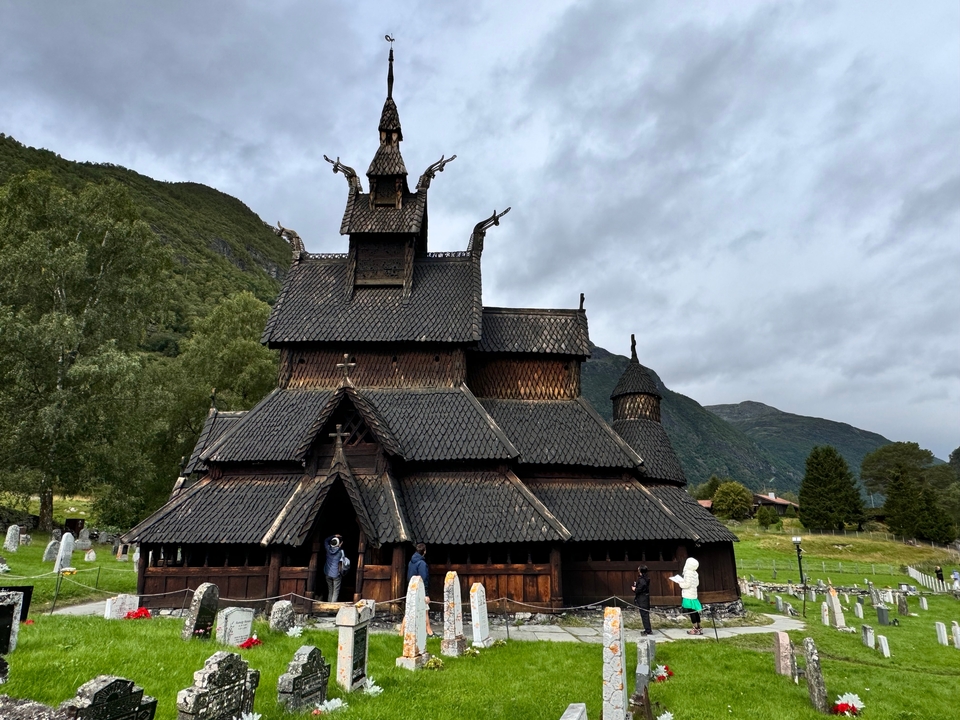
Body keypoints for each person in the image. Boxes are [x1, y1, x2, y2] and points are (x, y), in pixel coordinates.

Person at [670, 557, 703, 635]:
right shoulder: (695, 573)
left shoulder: (688, 573)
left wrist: (680, 583)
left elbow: (687, 585)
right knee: (695, 612)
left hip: (688, 595)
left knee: (691, 612)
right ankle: (699, 627)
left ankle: (695, 628)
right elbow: (697, 583)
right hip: (694, 594)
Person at [406, 542, 433, 635]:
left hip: (411, 588)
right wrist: (426, 594)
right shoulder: (422, 563)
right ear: (424, 551)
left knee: (409, 610)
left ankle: (402, 631)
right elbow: (424, 578)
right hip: (419, 589)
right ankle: (429, 631)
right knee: (425, 610)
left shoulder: (411, 562)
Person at [324, 534, 348, 603]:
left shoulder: (328, 550)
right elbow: (343, 562)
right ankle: (332, 607)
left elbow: (325, 541)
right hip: (336, 574)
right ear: (339, 544)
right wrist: (340, 547)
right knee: (336, 591)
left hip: (327, 573)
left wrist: (334, 536)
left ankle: (328, 606)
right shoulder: (341, 552)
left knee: (330, 590)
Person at [632, 565, 652, 635]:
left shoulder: (642, 580)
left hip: (642, 599)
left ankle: (648, 630)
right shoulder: (646, 578)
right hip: (645, 598)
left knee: (644, 615)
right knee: (645, 615)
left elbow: (640, 589)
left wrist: (635, 589)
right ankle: (647, 629)